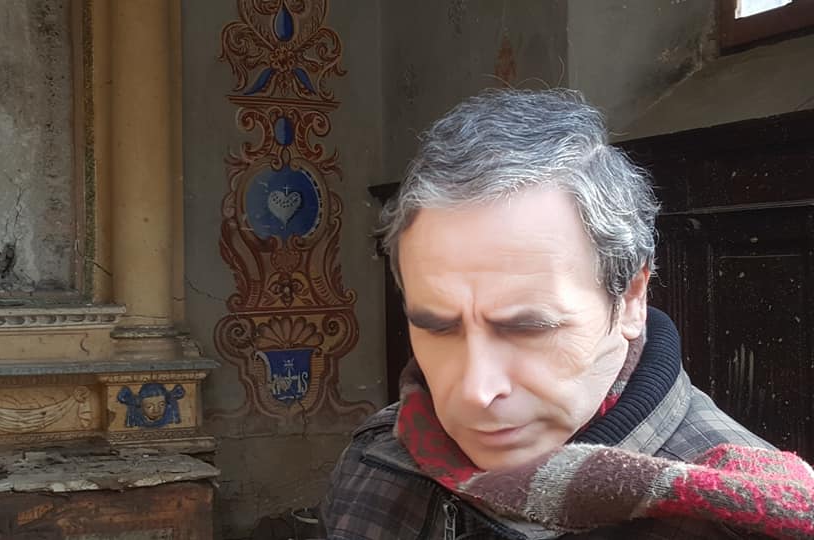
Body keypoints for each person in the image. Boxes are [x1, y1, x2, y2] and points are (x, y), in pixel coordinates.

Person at [323, 90, 814, 539]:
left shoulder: (736, 523)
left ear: (632, 297)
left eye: (528, 328)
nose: (475, 391)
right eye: (437, 328)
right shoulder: (378, 455)